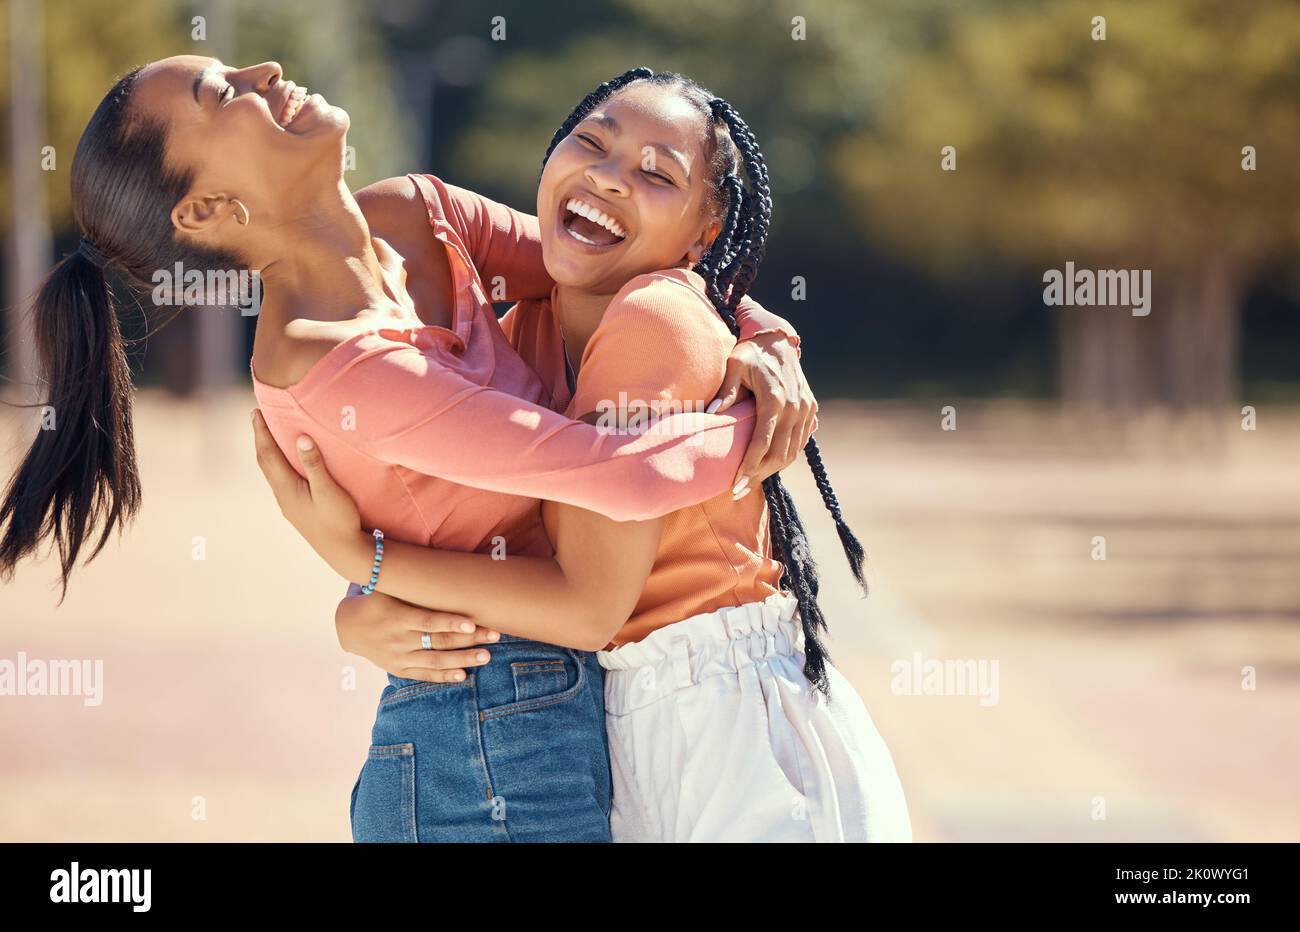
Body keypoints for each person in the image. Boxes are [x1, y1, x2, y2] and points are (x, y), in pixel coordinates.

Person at [255, 68, 912, 842]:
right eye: (591, 143)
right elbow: (492, 547)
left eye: (656, 174)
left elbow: (586, 607)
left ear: (703, 236)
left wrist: (363, 562)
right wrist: (363, 612)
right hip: (627, 722)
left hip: (730, 734)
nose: (607, 177)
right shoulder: (525, 327)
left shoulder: (655, 317)